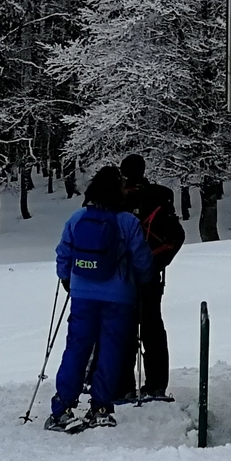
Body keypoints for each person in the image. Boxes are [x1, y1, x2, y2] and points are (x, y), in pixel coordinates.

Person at [46, 166, 153, 432]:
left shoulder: (78, 218)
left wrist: (67, 279)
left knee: (77, 348)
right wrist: (145, 280)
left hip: (82, 294)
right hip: (119, 296)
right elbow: (142, 260)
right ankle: (101, 407)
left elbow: (63, 253)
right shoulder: (127, 222)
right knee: (110, 349)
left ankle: (62, 407)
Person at [117, 153, 184, 403]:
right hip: (151, 276)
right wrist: (156, 264)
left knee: (122, 329)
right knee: (153, 328)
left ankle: (122, 386)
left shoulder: (116, 198)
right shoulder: (159, 195)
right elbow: (176, 235)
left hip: (120, 277)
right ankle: (156, 386)